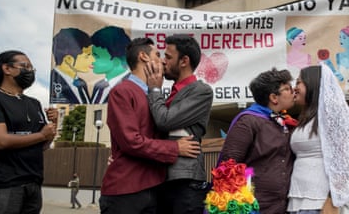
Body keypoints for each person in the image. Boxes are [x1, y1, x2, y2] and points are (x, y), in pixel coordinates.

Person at [99, 37, 201, 214]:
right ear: (143, 57)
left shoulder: (155, 97)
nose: (162, 60)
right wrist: (174, 148)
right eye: (158, 54)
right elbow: (131, 141)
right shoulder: (122, 91)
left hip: (154, 190)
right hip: (126, 192)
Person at [144, 34, 214, 214]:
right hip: (161, 178)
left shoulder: (201, 91)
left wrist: (154, 89)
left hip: (186, 182)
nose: (162, 61)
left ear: (184, 61)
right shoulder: (169, 94)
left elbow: (164, 120)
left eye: (168, 57)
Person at [220, 68, 297, 213]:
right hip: (254, 206)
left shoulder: (285, 122)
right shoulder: (248, 122)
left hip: (282, 206)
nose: (293, 92)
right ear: (274, 98)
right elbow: (229, 163)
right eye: (287, 89)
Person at [0, 50, 57, 214]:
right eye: (25, 66)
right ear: (7, 69)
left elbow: (42, 146)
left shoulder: (34, 104)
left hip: (33, 183)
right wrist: (41, 135)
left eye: (32, 69)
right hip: (4, 185)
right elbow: (0, 141)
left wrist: (53, 125)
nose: (29, 71)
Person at [287, 65, 349, 214]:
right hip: (298, 198)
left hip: (319, 201)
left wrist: (333, 199)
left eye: (299, 83)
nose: (295, 88)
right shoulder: (307, 117)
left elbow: (343, 159)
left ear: (312, 84)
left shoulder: (332, 114)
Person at [51, 28, 94, 104]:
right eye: (87, 56)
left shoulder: (81, 83)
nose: (93, 60)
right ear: (69, 60)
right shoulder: (52, 82)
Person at [91, 26, 131, 104]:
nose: (91, 60)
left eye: (96, 56)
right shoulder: (98, 86)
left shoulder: (132, 86)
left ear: (116, 61)